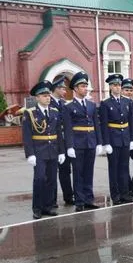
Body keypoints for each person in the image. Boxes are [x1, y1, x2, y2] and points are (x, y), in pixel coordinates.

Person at [22, 80, 65, 219]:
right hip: (39, 152)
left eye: (48, 95)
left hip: (53, 150)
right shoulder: (30, 113)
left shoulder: (54, 111)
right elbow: (27, 135)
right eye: (44, 95)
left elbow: (58, 133)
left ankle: (49, 206)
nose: (48, 98)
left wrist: (61, 151)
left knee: (52, 180)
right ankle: (37, 207)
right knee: (40, 179)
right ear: (37, 97)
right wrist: (30, 154)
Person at [63, 72, 103, 212]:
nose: (85, 88)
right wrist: (69, 146)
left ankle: (88, 199)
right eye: (82, 86)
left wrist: (99, 142)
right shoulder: (68, 107)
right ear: (75, 88)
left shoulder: (91, 105)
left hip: (90, 142)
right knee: (78, 173)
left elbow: (96, 124)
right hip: (77, 143)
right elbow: (68, 128)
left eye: (86, 86)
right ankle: (79, 200)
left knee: (88, 172)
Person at [99, 74, 133, 205]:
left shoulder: (127, 102)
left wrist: (131, 139)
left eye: (119, 85)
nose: (117, 87)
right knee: (114, 169)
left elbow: (130, 121)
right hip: (113, 140)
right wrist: (106, 143)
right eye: (115, 85)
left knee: (124, 168)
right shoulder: (105, 104)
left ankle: (125, 193)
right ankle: (116, 195)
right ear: (110, 87)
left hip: (125, 138)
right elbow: (104, 124)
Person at [49, 76, 74, 207]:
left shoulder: (64, 103)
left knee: (65, 170)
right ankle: (51, 200)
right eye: (62, 88)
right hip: (53, 142)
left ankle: (68, 196)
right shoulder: (48, 103)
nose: (65, 90)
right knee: (52, 172)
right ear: (56, 89)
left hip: (64, 141)